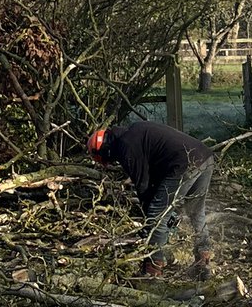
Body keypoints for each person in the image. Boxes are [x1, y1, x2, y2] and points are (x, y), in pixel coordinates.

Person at [87, 120, 214, 280]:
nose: (112, 162)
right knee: (196, 212)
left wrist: (150, 222)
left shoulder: (126, 145)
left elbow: (143, 185)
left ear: (105, 150)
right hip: (205, 157)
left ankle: (153, 271)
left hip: (185, 162)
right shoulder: (135, 132)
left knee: (156, 216)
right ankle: (204, 259)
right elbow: (154, 174)